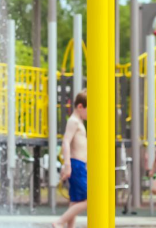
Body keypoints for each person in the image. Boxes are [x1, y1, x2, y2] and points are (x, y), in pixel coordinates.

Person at [53, 90, 88, 228]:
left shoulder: (78, 121)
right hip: (76, 165)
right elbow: (66, 142)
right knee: (90, 199)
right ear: (80, 106)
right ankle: (59, 222)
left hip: (79, 164)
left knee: (75, 200)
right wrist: (67, 165)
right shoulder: (74, 122)